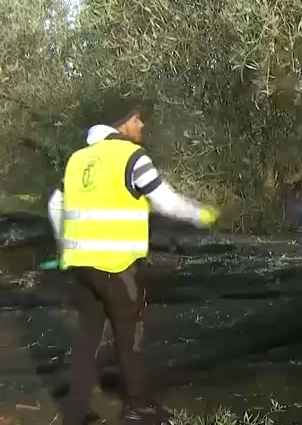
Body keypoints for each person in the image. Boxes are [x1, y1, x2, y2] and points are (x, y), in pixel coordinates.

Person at [52, 98, 219, 425]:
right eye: (136, 119)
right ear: (121, 123)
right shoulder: (131, 156)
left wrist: (65, 247)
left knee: (87, 337)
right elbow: (166, 202)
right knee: (130, 336)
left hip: (81, 266)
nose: (142, 125)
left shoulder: (77, 159)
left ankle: (76, 411)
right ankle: (137, 408)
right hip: (115, 265)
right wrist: (203, 214)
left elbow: (56, 204)